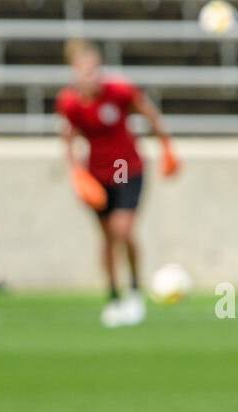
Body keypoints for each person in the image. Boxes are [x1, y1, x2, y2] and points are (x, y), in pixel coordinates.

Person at [56, 39, 179, 327]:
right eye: (84, 70)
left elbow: (150, 115)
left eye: (94, 69)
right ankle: (114, 297)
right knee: (107, 239)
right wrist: (76, 173)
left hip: (127, 169)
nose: (91, 76)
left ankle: (135, 291)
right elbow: (69, 140)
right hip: (96, 176)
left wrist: (167, 148)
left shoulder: (120, 92)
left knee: (122, 230)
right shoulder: (70, 103)